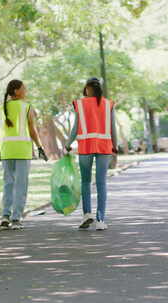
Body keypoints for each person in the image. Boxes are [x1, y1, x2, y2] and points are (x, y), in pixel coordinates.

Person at [0, 79, 47, 230]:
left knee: (8, 183)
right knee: (21, 185)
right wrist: (40, 147)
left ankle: (5, 216)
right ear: (16, 91)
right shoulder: (26, 107)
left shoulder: (0, 108)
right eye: (24, 88)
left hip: (7, 150)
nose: (26, 91)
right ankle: (16, 219)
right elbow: (32, 130)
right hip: (22, 150)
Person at [66, 78, 118, 231]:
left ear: (88, 88)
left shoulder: (80, 104)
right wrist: (115, 146)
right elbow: (112, 128)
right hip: (104, 146)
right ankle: (101, 220)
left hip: (86, 146)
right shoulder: (108, 104)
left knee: (85, 182)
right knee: (101, 183)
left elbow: (76, 127)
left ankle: (87, 214)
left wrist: (68, 144)